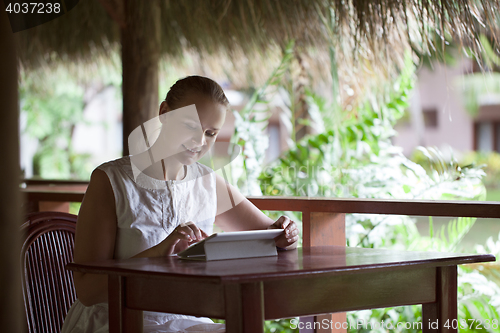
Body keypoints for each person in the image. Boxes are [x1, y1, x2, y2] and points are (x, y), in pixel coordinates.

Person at [61, 75, 299, 333]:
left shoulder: (208, 183)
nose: (200, 141)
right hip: (117, 319)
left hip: (187, 320)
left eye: (210, 133)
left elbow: (273, 236)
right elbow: (87, 290)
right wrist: (156, 254)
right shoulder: (111, 181)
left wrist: (287, 233)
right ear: (164, 112)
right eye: (190, 126)